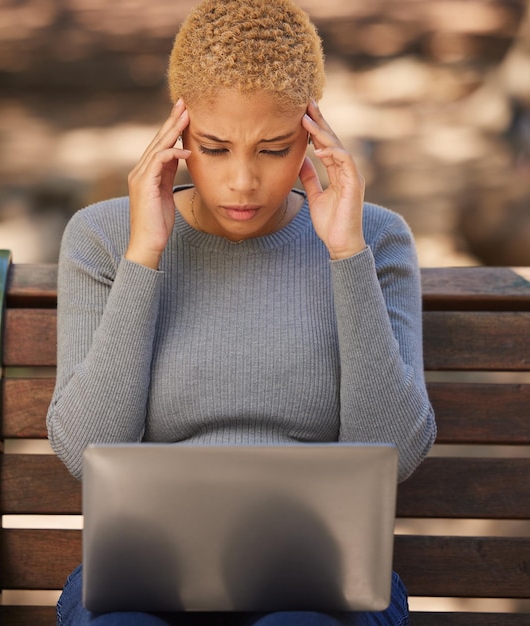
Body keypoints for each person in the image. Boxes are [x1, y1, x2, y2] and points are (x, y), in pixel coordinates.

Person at [47, 0, 437, 623]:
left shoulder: (374, 238)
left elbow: (396, 450)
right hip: (148, 574)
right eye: (215, 147)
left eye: (274, 149)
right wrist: (145, 255)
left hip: (322, 582)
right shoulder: (103, 237)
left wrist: (345, 255)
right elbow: (84, 448)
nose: (242, 182)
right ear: (177, 137)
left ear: (313, 135)